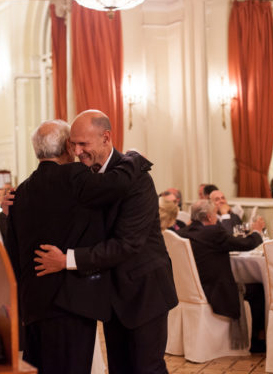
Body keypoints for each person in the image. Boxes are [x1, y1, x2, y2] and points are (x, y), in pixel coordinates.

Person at [34, 110, 177, 374]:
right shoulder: (84, 176)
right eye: (73, 144)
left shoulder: (138, 180)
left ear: (106, 137)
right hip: (112, 295)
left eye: (83, 144)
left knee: (146, 368)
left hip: (144, 291)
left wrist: (67, 260)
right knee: (120, 368)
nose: (77, 151)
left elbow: (127, 244)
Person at [6, 119, 141, 374]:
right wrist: (135, 158)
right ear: (68, 147)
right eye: (75, 144)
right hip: (70, 304)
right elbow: (118, 184)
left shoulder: (20, 192)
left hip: (33, 304)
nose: (78, 151)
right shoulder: (75, 176)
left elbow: (13, 252)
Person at [177, 200, 267, 352]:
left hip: (193, 289)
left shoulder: (182, 233)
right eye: (215, 214)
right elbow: (246, 244)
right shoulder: (213, 232)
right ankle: (256, 340)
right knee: (258, 289)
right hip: (215, 291)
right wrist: (257, 231)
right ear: (210, 217)